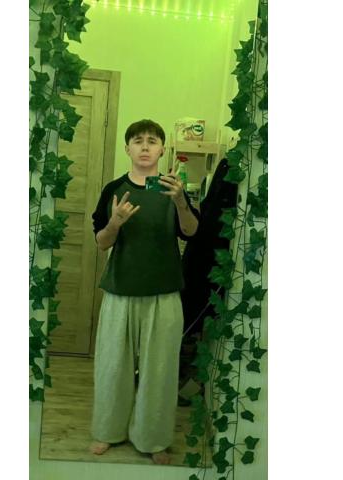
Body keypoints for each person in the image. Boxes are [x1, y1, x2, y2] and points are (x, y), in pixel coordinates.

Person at [89, 119, 200, 465]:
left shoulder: (172, 189)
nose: (145, 146)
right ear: (128, 148)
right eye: (138, 141)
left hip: (163, 293)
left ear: (162, 149)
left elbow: (191, 232)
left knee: (159, 371)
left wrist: (181, 202)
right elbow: (101, 242)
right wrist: (114, 223)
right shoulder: (113, 190)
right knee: (113, 366)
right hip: (120, 291)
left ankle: (153, 439)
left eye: (152, 141)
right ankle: (108, 430)